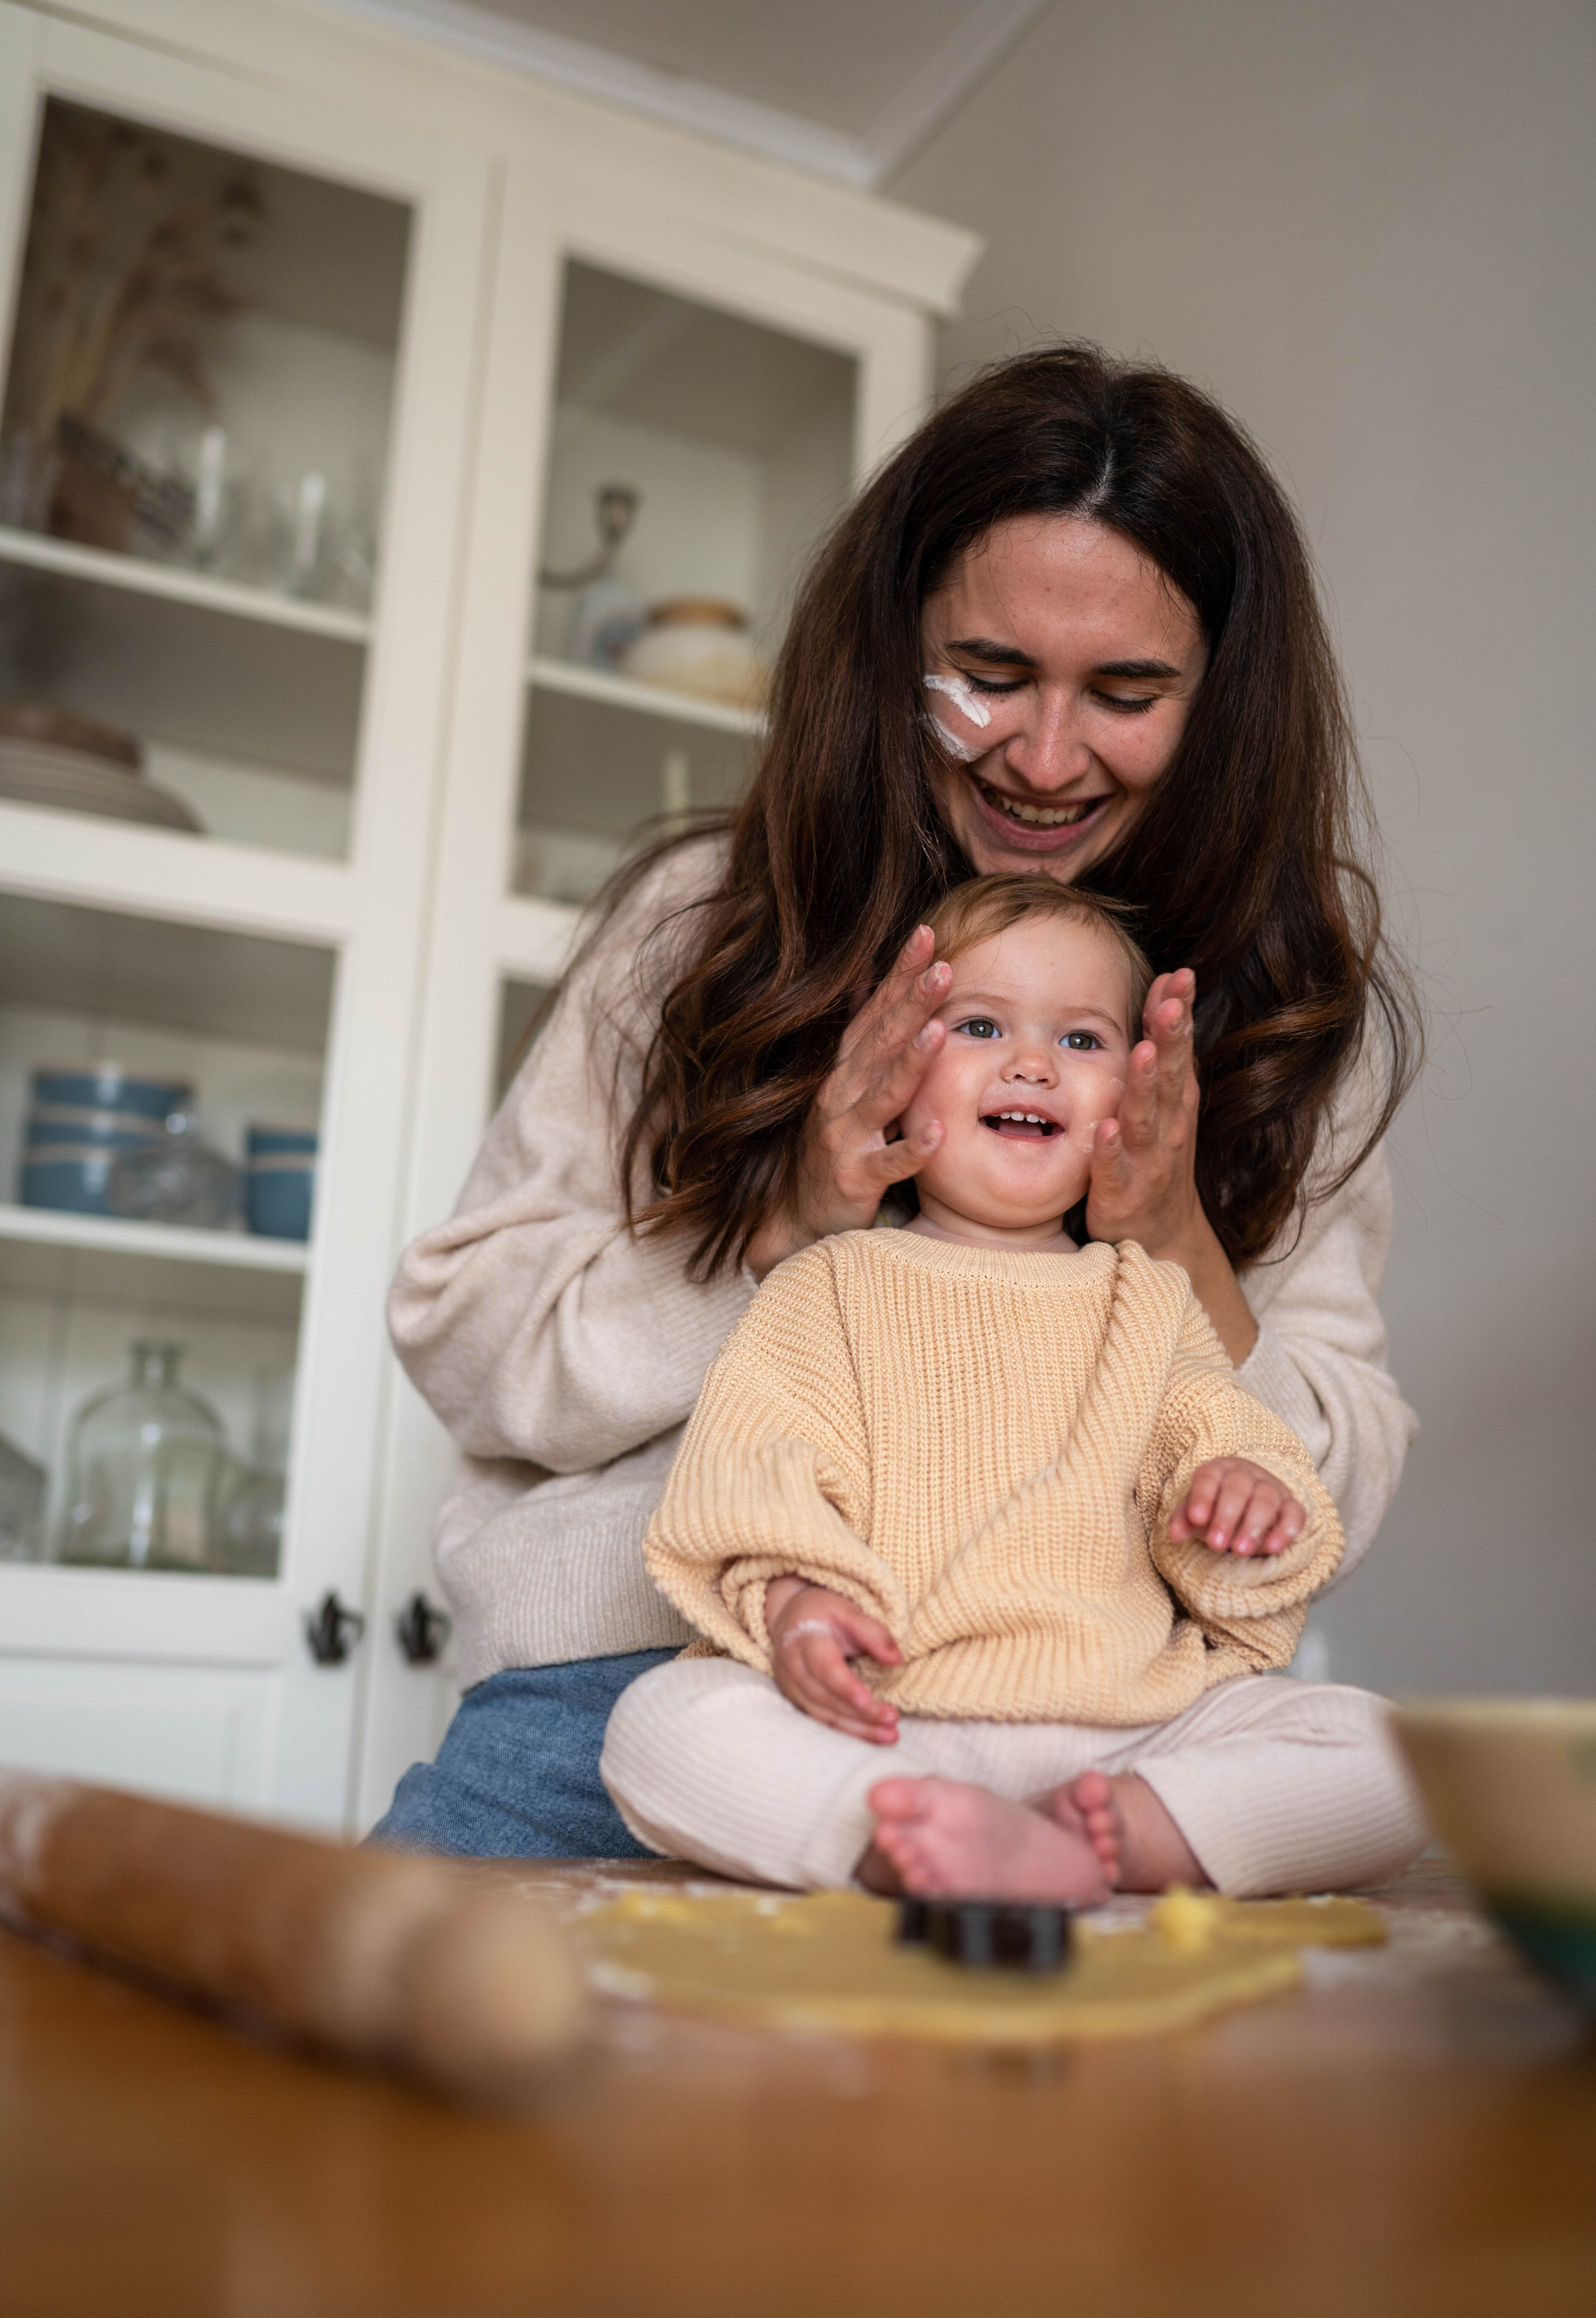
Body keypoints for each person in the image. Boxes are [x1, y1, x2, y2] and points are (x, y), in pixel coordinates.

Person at [374, 343, 1420, 1859]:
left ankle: (1070, 1852)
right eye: (985, 678)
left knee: (1379, 1767)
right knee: (361, 2069)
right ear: (890, 651)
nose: (1042, 758)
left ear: (1220, 703)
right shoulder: (704, 922)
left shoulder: (1279, 1006)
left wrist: (1171, 1239)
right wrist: (793, 1215)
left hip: (1105, 1702)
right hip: (647, 1677)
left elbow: (1336, 1474)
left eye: (1123, 693)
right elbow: (469, 1339)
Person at [600, 875, 1427, 1903]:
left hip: (1128, 1731)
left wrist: (1241, 1500)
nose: (1033, 1063)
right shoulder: (831, 1281)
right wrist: (799, 1606)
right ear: (897, 1072)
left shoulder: (1152, 1302)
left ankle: (1106, 1836)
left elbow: (1230, 1458)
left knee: (1386, 1748)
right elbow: (757, 1472)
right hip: (886, 1722)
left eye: (1081, 1042)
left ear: (1133, 1101)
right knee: (660, 1726)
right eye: (982, 1025)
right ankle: (901, 1829)